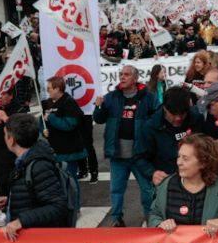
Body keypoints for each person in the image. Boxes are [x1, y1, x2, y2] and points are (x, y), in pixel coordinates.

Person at [93, 64, 160, 226]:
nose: (122, 77)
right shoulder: (111, 97)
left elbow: (158, 119)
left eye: (127, 74)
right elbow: (99, 119)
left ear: (135, 78)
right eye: (121, 74)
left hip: (140, 154)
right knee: (116, 190)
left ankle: (150, 217)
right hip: (118, 154)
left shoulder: (148, 97)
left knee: (147, 190)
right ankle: (116, 219)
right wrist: (98, 106)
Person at [149, 133, 218, 235]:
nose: (179, 162)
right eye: (178, 157)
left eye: (185, 158)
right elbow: (154, 215)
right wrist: (160, 223)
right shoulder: (166, 185)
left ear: (203, 163)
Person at [2, 112, 71, 240]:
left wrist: (20, 221)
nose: (4, 138)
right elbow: (37, 194)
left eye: (5, 135)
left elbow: (57, 206)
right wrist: (12, 200)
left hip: (38, 241)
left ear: (11, 140)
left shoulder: (38, 165)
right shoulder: (28, 160)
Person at [140, 86, 204, 189]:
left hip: (195, 180)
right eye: (173, 114)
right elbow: (140, 157)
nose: (178, 118)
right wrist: (152, 173)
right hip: (167, 182)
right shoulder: (151, 127)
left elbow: (207, 148)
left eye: (182, 114)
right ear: (165, 108)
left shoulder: (196, 119)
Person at [41, 76, 87, 206]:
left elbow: (69, 124)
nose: (47, 91)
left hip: (69, 149)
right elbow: (43, 121)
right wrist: (43, 130)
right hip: (55, 149)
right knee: (58, 181)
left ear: (57, 88)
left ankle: (74, 206)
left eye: (49, 88)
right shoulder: (48, 103)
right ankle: (64, 205)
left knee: (70, 180)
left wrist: (52, 119)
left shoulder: (69, 102)